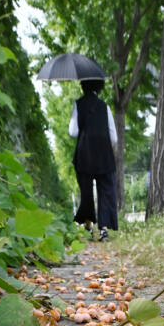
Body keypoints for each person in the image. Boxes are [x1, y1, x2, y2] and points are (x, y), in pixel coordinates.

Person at [69, 79, 118, 241]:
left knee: (86, 191)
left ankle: (88, 226)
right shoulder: (105, 107)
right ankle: (104, 229)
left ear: (83, 86)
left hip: (85, 153)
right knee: (106, 190)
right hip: (104, 154)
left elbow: (72, 132)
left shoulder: (78, 105)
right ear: (100, 87)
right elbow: (114, 137)